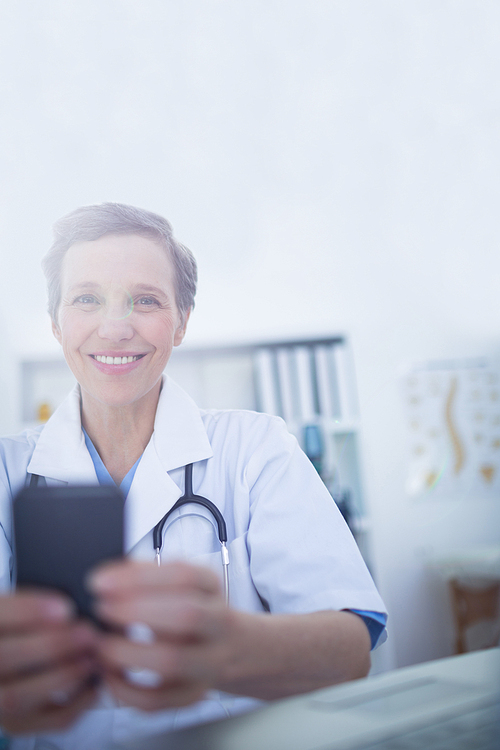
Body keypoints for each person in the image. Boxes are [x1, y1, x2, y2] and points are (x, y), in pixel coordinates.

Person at [0, 203, 387, 749]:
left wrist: (229, 649)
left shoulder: (254, 448)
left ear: (180, 322)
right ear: (56, 322)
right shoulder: (5, 470)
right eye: (87, 298)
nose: (115, 326)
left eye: (146, 299)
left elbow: (352, 647)